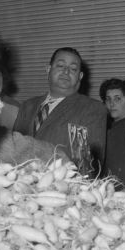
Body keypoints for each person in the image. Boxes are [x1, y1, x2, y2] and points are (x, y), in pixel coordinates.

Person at [13, 47, 107, 175]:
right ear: (48, 70)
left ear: (80, 76)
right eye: (60, 65)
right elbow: (13, 147)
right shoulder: (28, 106)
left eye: (73, 69)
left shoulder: (88, 109)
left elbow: (84, 166)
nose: (66, 71)